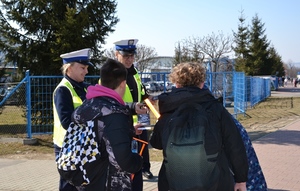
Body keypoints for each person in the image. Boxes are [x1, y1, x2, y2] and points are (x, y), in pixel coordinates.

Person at [150, 62, 248, 191]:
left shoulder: (168, 109)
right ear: (201, 84)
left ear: (177, 84)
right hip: (215, 182)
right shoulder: (215, 108)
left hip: (173, 182)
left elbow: (156, 143)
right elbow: (234, 144)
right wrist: (241, 179)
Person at [71, 58, 143, 190]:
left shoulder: (88, 106)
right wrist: (138, 161)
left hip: (87, 179)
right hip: (109, 182)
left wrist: (129, 130)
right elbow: (123, 160)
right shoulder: (115, 115)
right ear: (123, 84)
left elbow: (101, 133)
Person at [113, 39, 154, 190]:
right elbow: (108, 103)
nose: (130, 59)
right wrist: (133, 107)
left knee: (139, 160)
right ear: (116, 54)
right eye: (126, 56)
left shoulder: (134, 72)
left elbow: (141, 91)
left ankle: (145, 169)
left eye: (132, 56)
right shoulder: (112, 75)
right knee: (125, 168)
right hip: (122, 127)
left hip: (137, 124)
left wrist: (147, 98)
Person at [53, 48, 94, 191]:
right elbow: (66, 121)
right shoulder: (63, 90)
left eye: (87, 68)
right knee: (68, 187)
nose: (86, 71)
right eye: (82, 67)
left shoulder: (84, 88)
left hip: (82, 146)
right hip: (67, 148)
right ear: (69, 68)